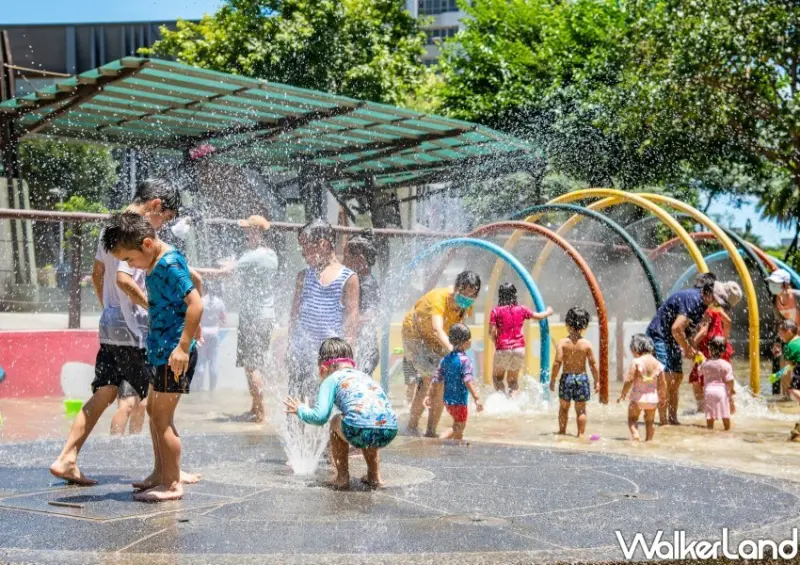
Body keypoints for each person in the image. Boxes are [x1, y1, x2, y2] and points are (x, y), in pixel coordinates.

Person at [49, 178, 181, 485]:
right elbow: (125, 280)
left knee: (105, 392)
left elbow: (98, 274)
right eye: (165, 218)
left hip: (110, 326)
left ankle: (66, 457)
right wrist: (154, 308)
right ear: (155, 206)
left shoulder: (111, 226)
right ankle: (168, 470)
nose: (162, 226)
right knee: (158, 398)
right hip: (135, 329)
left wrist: (111, 309)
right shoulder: (140, 232)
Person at [103, 212, 203, 502]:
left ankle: (172, 484)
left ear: (147, 244)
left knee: (162, 418)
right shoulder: (158, 260)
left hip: (175, 355)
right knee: (152, 413)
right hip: (161, 351)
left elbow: (196, 302)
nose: (131, 266)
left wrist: (184, 345)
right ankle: (161, 474)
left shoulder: (168, 264)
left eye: (130, 260)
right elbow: (195, 278)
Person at [284, 338, 397, 489]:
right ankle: (374, 476)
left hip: (359, 428)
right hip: (389, 429)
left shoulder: (331, 379)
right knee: (369, 421)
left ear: (322, 369)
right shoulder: (364, 377)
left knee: (337, 421)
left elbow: (320, 417)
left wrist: (301, 409)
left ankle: (342, 477)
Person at [198, 216, 278, 420]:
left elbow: (222, 273)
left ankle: (261, 414)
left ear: (259, 232)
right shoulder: (270, 255)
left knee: (252, 366)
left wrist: (192, 270)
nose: (246, 234)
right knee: (252, 364)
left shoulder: (254, 256)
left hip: (253, 318)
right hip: (264, 316)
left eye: (249, 230)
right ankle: (255, 409)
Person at [402, 271, 481, 437]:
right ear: (456, 287)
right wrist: (454, 350)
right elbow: (438, 329)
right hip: (415, 334)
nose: (467, 297)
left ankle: (431, 431)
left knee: (441, 381)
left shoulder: (467, 305)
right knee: (430, 379)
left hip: (438, 338)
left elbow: (457, 328)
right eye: (464, 292)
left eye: (472, 294)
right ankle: (412, 425)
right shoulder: (439, 297)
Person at [288, 219, 359, 401]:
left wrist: (347, 357)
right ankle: (294, 431)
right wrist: (290, 346)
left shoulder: (348, 278)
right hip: (302, 351)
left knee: (324, 404)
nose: (303, 253)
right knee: (296, 400)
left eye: (306, 247)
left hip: (330, 357)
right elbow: (294, 315)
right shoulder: (303, 276)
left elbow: (351, 318)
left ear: (323, 243)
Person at [645, 273, 717, 425]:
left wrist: (692, 348)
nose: (718, 302)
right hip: (659, 335)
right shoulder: (693, 299)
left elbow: (686, 331)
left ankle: (673, 419)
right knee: (665, 378)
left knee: (676, 377)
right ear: (708, 293)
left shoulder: (702, 305)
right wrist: (686, 348)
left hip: (672, 339)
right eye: (717, 297)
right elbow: (676, 328)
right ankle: (664, 422)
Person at [489, 282, 553, 396]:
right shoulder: (522, 309)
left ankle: (503, 402)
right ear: (514, 295)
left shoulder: (496, 311)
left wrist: (496, 342)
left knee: (497, 378)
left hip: (503, 348)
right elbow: (538, 316)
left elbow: (492, 331)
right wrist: (548, 312)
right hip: (519, 349)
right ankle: (513, 403)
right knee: (513, 382)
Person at [688, 281, 742, 411]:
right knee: (723, 378)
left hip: (707, 347)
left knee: (697, 379)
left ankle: (701, 409)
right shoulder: (719, 308)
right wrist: (724, 339)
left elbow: (703, 331)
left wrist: (690, 345)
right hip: (721, 345)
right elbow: (728, 321)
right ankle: (731, 410)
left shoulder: (708, 309)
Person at [423, 324, 483, 440]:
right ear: (467, 343)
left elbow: (436, 379)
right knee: (459, 426)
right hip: (459, 402)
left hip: (447, 401)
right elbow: (468, 380)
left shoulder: (446, 359)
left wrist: (429, 395)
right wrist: (477, 397)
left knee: (458, 424)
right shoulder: (465, 361)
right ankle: (442, 440)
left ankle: (456, 444)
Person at [549, 307, 600, 438]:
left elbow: (557, 362)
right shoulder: (587, 344)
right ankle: (581, 435)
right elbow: (593, 365)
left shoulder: (563, 343)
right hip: (582, 378)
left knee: (563, 408)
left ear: (567, 323)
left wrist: (553, 379)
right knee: (581, 410)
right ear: (585, 325)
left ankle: (562, 431)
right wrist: (597, 381)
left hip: (566, 378)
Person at [344, 233, 381, 375]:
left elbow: (370, 316)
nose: (343, 261)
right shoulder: (360, 281)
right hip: (364, 348)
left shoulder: (366, 285)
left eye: (347, 257)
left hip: (365, 349)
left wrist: (347, 322)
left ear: (360, 260)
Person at [618, 334, 666, 442]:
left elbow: (629, 379)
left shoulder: (636, 362)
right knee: (650, 422)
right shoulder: (658, 364)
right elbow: (663, 383)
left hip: (637, 398)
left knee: (632, 419)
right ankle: (649, 440)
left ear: (635, 348)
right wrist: (662, 397)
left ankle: (635, 435)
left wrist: (623, 393)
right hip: (652, 400)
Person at [768, 269, 800, 395]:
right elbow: (779, 323)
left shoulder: (797, 296)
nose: (773, 286)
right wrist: (777, 342)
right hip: (792, 339)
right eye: (771, 283)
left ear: (786, 284)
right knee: (785, 364)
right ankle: (786, 397)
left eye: (776, 283)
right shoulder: (775, 300)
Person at [699, 337, 736, 431]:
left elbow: (699, 372)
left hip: (708, 392)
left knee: (709, 415)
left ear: (710, 350)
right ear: (723, 351)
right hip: (721, 392)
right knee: (725, 414)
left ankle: (710, 429)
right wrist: (732, 390)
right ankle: (727, 429)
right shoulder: (726, 365)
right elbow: (730, 380)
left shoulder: (706, 364)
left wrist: (701, 361)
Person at [197, 283, 227, 392]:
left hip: (202, 334)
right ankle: (212, 390)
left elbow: (195, 318)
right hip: (214, 334)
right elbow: (224, 320)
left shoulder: (200, 301)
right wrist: (217, 328)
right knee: (214, 363)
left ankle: (199, 389)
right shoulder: (220, 302)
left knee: (200, 363)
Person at [775, 319, 800, 441]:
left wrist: (777, 375)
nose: (780, 336)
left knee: (792, 389)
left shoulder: (789, 346)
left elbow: (789, 367)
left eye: (781, 333)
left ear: (789, 332)